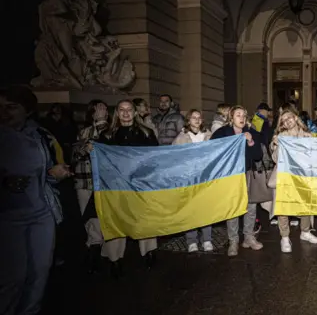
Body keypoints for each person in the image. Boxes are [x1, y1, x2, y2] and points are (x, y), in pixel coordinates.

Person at [0, 86, 71, 315]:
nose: (4, 112)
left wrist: (55, 173)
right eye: (0, 107)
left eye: (11, 107)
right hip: (9, 216)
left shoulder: (39, 135)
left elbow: (46, 171)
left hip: (41, 213)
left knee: (41, 269)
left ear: (27, 110)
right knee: (13, 276)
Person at [95, 100, 159, 277]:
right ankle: (115, 259)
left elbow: (155, 157)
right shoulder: (108, 135)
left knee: (144, 219)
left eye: (129, 110)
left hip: (140, 184)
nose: (125, 113)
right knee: (116, 220)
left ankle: (149, 252)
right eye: (121, 110)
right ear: (117, 112)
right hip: (116, 186)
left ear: (134, 112)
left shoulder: (146, 133)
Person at [211, 105, 264, 256]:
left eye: (243, 115)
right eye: (238, 115)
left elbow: (258, 156)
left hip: (247, 174)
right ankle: (233, 240)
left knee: (251, 206)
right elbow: (213, 151)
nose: (241, 118)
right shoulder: (222, 133)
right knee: (233, 207)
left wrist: (251, 142)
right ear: (231, 118)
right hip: (230, 176)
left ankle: (249, 237)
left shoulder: (251, 132)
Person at [270, 109, 317, 253]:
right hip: (286, 176)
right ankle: (285, 237)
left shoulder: (308, 135)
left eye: (289, 118)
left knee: (305, 204)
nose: (287, 121)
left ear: (296, 117)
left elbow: (316, 155)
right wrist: (276, 145)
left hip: (303, 176)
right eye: (284, 120)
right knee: (283, 206)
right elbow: (275, 159)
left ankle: (305, 232)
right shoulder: (281, 137)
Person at [72, 99, 110, 273]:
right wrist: (83, 150)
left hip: (103, 182)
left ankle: (101, 250)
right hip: (85, 180)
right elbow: (74, 155)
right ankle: (93, 247)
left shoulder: (111, 130)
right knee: (88, 216)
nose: (102, 110)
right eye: (98, 107)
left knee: (101, 216)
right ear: (92, 112)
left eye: (104, 107)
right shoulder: (84, 132)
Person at [173, 109, 214, 252]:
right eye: (193, 118)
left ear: (202, 120)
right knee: (190, 209)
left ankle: (207, 239)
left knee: (205, 208)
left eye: (199, 118)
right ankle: (191, 240)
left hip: (205, 178)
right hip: (189, 178)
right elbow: (174, 157)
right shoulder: (181, 137)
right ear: (188, 120)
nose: (196, 120)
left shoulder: (208, 135)